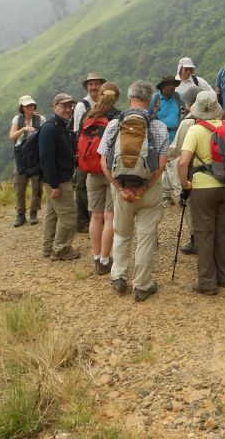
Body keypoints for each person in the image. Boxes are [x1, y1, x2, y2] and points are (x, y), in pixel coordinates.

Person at [98, 81, 169, 302]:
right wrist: (143, 187)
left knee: (122, 234)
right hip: (149, 190)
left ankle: (119, 277)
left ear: (129, 99)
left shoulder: (114, 124)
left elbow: (103, 162)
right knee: (146, 238)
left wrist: (121, 188)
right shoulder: (158, 126)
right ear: (149, 101)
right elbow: (162, 163)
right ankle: (142, 285)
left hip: (122, 192)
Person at [178, 91, 225, 294]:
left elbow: (184, 161)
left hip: (204, 188)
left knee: (204, 233)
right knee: (224, 231)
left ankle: (207, 282)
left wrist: (185, 183)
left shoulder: (195, 131)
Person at [82, 82, 122, 274]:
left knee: (95, 216)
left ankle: (96, 257)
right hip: (110, 171)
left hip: (91, 172)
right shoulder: (117, 116)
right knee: (109, 216)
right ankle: (106, 259)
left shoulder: (88, 115)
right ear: (117, 97)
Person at [39, 93, 80, 261]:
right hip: (58, 180)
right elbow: (46, 158)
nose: (68, 109)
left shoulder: (60, 125)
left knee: (52, 213)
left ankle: (48, 247)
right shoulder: (50, 128)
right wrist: (54, 185)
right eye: (63, 106)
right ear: (54, 106)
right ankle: (60, 249)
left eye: (70, 106)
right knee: (69, 214)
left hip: (56, 179)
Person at [167, 83, 204, 255]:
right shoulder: (218, 117)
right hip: (216, 171)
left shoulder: (188, 121)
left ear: (188, 103)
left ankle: (196, 239)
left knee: (190, 205)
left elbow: (177, 149)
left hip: (193, 171)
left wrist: (161, 156)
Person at [73, 72, 106, 232]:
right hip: (85, 152)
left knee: (96, 186)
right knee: (82, 186)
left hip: (98, 151)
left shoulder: (102, 103)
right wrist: (78, 154)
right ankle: (82, 222)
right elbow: (76, 131)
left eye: (96, 84)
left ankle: (96, 218)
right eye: (91, 84)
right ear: (87, 86)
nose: (94, 87)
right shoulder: (82, 106)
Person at [8, 95, 45, 227]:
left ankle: (34, 212)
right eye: (27, 105)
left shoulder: (40, 119)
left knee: (36, 186)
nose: (30, 107)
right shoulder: (17, 119)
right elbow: (12, 136)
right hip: (21, 157)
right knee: (19, 186)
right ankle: (21, 214)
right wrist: (23, 129)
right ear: (22, 108)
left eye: (31, 105)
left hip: (35, 156)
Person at [149, 75, 185, 207]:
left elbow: (184, 112)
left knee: (174, 163)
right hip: (159, 136)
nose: (171, 87)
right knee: (163, 165)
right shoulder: (156, 99)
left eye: (173, 84)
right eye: (168, 84)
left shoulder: (177, 97)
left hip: (176, 134)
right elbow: (147, 115)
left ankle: (174, 194)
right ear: (162, 86)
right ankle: (166, 195)